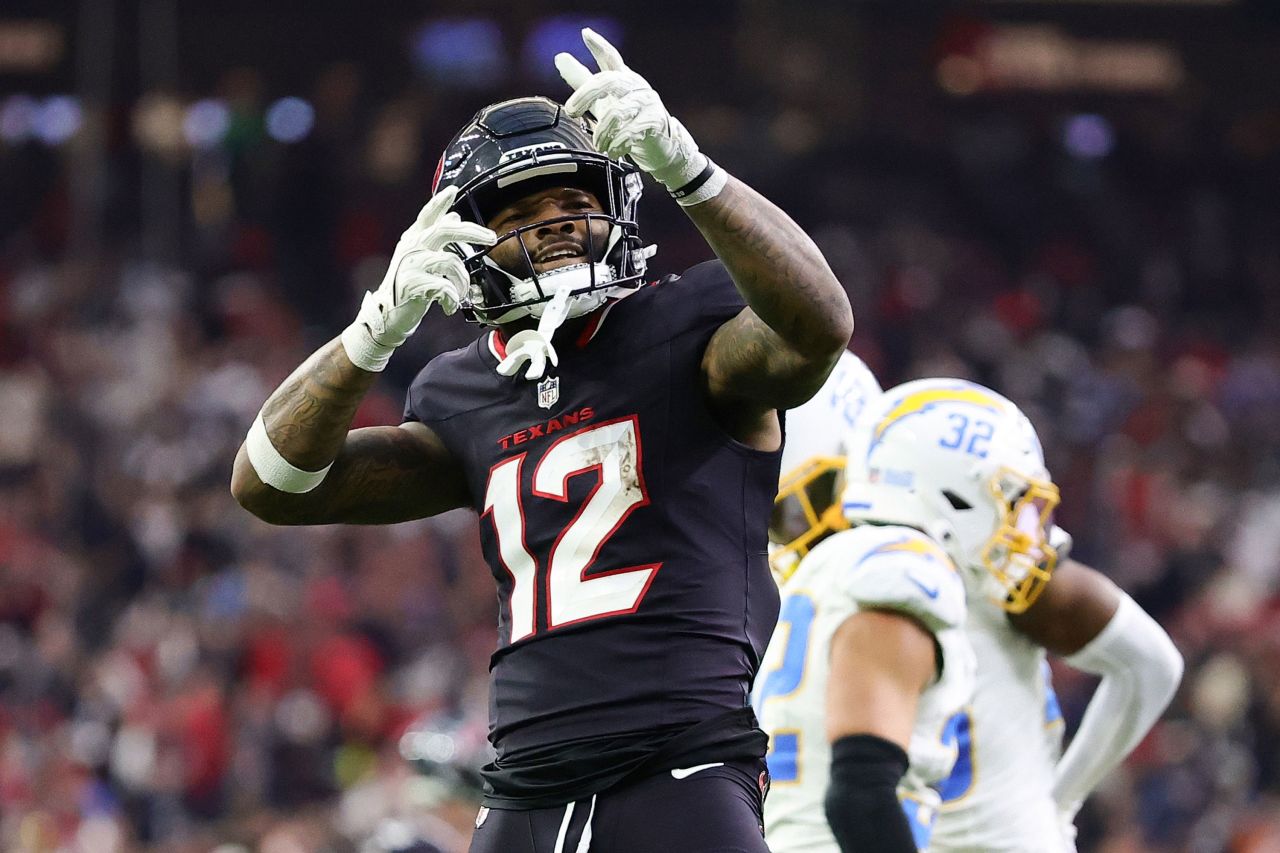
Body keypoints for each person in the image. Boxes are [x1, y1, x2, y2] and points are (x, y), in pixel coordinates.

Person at [230, 27, 853, 853]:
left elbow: (817, 328)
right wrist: (368, 336)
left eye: (574, 202)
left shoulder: (686, 324)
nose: (556, 223)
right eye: (522, 212)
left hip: (679, 769)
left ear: (617, 207)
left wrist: (692, 172)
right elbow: (269, 484)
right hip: (522, 786)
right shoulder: (459, 391)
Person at [839, 379, 1184, 852]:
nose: (1030, 529)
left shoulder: (1012, 583)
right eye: (1012, 500)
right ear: (947, 494)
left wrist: (1060, 801)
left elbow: (1151, 665)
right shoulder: (869, 587)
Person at [754, 357, 976, 853]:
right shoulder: (896, 567)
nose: (797, 533)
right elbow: (861, 794)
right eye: (779, 519)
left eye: (804, 502)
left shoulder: (804, 589)